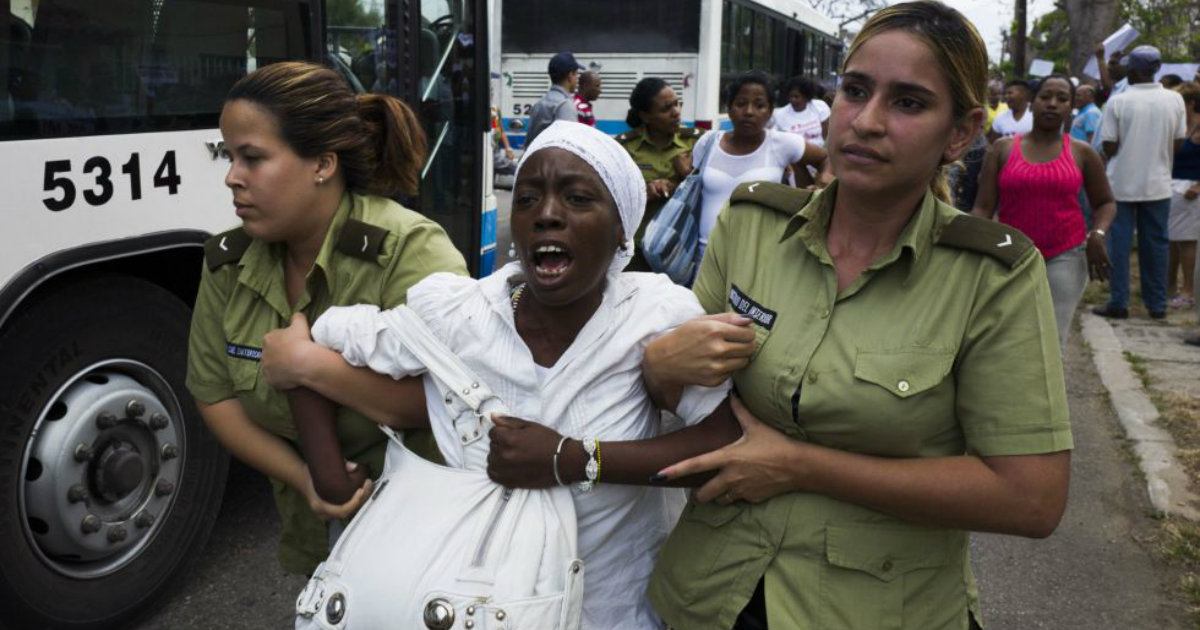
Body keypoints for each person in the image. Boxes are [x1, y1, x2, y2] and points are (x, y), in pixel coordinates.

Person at [639, 3, 1072, 628]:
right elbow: (684, 397)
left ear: (960, 132)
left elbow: (1031, 498)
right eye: (855, 90)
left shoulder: (990, 277)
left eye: (909, 103)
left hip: (877, 607)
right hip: (710, 595)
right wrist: (658, 366)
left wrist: (801, 466)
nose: (866, 122)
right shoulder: (753, 226)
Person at [262, 120, 742, 630]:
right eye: (529, 198)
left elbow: (723, 444)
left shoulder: (653, 315)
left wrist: (573, 459)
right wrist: (329, 478)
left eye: (578, 199)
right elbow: (307, 341)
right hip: (474, 608)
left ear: (622, 227)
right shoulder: (458, 313)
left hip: (612, 610)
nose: (547, 215)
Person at [184, 61, 468, 576]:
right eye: (229, 157)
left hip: (426, 541)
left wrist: (312, 369)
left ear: (323, 164)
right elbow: (215, 394)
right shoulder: (226, 261)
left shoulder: (408, 250)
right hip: (316, 539)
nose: (231, 178)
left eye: (252, 158)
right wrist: (304, 476)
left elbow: (458, 401)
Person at [972, 73, 1117, 348]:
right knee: (1007, 339)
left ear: (1070, 107)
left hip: (1065, 255)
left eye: (1062, 99)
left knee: (1050, 339)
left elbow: (1105, 203)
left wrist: (1097, 234)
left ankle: (1049, 391)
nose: (1052, 104)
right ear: (1032, 101)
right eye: (1045, 97)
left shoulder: (1082, 152)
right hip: (1009, 254)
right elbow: (983, 206)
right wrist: (971, 246)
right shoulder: (1003, 149)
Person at [1093, 45, 1189, 320]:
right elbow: (1179, 142)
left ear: (1133, 69)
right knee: (1156, 245)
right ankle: (1157, 305)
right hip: (1158, 182)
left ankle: (1118, 302)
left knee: (1119, 246)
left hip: (1122, 183)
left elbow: (1109, 145)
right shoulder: (1174, 100)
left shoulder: (1119, 100)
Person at [698, 71, 830, 260]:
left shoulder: (782, 144)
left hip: (759, 257)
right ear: (729, 109)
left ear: (769, 112)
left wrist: (822, 182)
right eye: (741, 104)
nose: (749, 112)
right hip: (705, 253)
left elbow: (825, 159)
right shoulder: (707, 143)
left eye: (759, 105)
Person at [616, 77, 705, 271]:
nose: (676, 113)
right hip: (638, 248)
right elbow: (612, 197)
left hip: (684, 247)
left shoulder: (696, 143)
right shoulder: (626, 148)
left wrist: (686, 175)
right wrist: (644, 193)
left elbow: (712, 190)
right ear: (645, 116)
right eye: (666, 109)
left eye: (677, 104)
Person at [1170, 82, 1200, 318]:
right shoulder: (1180, 125)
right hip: (1171, 186)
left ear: (1191, 103)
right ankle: (1169, 286)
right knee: (1171, 241)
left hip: (1190, 189)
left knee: (1187, 241)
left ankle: (1189, 290)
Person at [526, 51, 585, 145]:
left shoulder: (539, 103)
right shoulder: (565, 105)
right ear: (570, 76)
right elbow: (567, 146)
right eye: (576, 74)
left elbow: (529, 142)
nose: (577, 79)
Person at [769, 75, 831, 148]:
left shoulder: (819, 107)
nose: (792, 100)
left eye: (796, 97)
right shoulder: (779, 114)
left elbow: (827, 135)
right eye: (790, 96)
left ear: (806, 96)